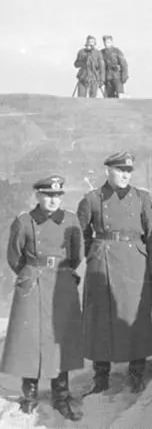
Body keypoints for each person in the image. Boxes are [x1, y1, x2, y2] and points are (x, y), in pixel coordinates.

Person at [78, 151, 152, 395]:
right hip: (103, 263)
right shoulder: (92, 199)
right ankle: (101, 376)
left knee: (135, 317)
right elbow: (79, 235)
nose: (124, 175)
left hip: (135, 261)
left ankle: (137, 373)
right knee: (101, 318)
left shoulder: (142, 198)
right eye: (119, 171)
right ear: (108, 171)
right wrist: (94, 255)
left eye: (128, 172)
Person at [0, 176, 83, 421]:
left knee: (61, 339)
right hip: (33, 282)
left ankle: (61, 395)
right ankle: (30, 395)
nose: (53, 200)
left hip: (61, 282)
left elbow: (76, 254)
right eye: (48, 195)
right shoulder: (24, 221)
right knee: (31, 339)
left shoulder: (70, 220)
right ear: (37, 196)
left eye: (57, 196)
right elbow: (14, 256)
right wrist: (30, 274)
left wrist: (60, 271)